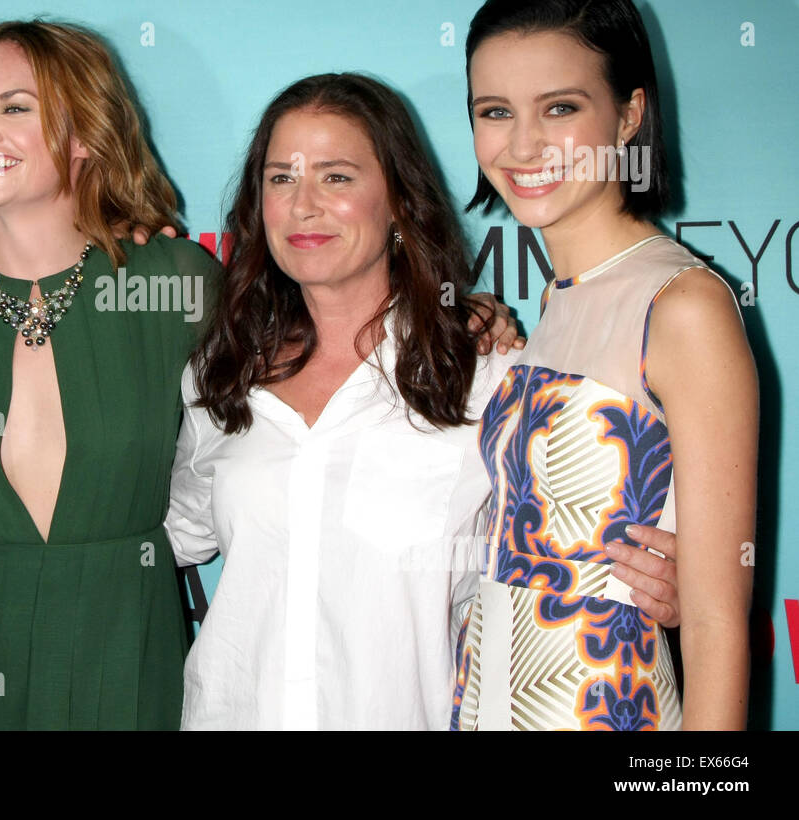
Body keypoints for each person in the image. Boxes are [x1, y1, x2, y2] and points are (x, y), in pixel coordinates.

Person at [165, 72, 681, 730]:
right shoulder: (219, 372)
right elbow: (168, 539)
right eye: (281, 178)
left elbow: (624, 552)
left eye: (337, 176)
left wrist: (680, 586)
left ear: (399, 203)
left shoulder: (489, 376)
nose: (303, 207)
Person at [0, 20, 221, 729]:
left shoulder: (175, 284)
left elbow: (323, 352)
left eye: (14, 107)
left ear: (85, 133)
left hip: (125, 654)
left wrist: (461, 315)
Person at [451, 0, 756, 730]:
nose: (522, 144)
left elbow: (719, 624)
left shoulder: (684, 305)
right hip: (486, 699)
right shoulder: (557, 297)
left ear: (629, 115)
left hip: (603, 707)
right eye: (495, 111)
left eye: (560, 107)